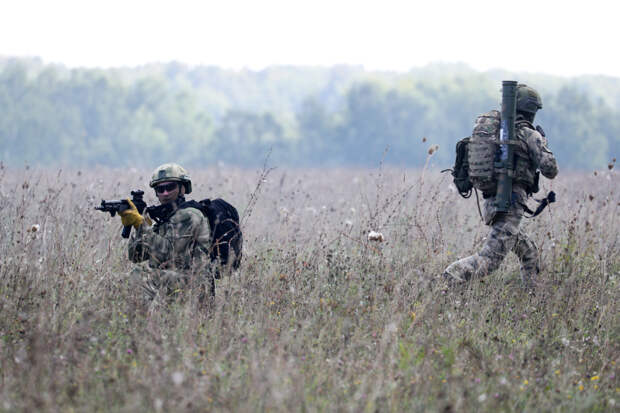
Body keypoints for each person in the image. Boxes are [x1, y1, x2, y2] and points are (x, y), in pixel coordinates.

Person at [443, 84, 558, 290]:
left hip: (492, 202)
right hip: (510, 205)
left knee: (529, 252)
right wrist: (542, 142)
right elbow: (550, 169)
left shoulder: (501, 132)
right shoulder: (528, 134)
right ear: (531, 110)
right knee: (489, 261)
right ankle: (447, 279)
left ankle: (534, 299)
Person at [118, 163, 215, 301]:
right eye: (160, 189)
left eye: (170, 187)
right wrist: (138, 225)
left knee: (140, 277)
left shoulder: (189, 215)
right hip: (175, 281)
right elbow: (136, 256)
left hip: (196, 286)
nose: (165, 193)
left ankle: (144, 320)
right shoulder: (165, 218)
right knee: (127, 278)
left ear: (183, 188)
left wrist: (142, 225)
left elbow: (169, 253)